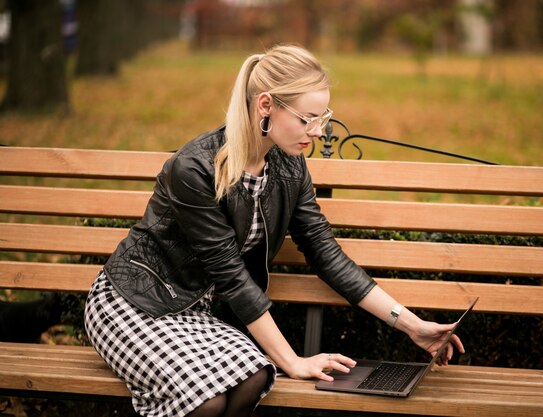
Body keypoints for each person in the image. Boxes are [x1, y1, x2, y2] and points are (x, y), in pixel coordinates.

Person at [84, 44, 464, 417]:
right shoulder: (194, 168)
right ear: (266, 105)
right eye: (306, 118)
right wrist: (293, 361)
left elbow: (326, 254)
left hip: (193, 314)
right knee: (206, 401)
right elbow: (231, 276)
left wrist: (413, 326)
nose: (317, 132)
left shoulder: (289, 167)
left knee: (256, 376)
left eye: (322, 117)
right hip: (130, 302)